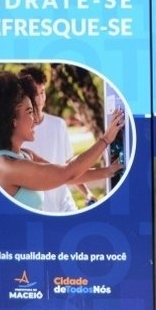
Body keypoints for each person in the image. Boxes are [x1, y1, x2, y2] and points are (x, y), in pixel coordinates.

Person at [0, 71, 125, 211]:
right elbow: (68, 172)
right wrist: (106, 139)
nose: (35, 119)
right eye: (30, 112)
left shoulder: (24, 155)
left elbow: (66, 174)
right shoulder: (7, 167)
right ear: (13, 121)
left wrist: (107, 172)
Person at [19, 66, 97, 212]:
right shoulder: (19, 133)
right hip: (38, 208)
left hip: (64, 204)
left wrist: (87, 192)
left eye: (43, 92)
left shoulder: (58, 125)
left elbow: (69, 166)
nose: (40, 99)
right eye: (36, 94)